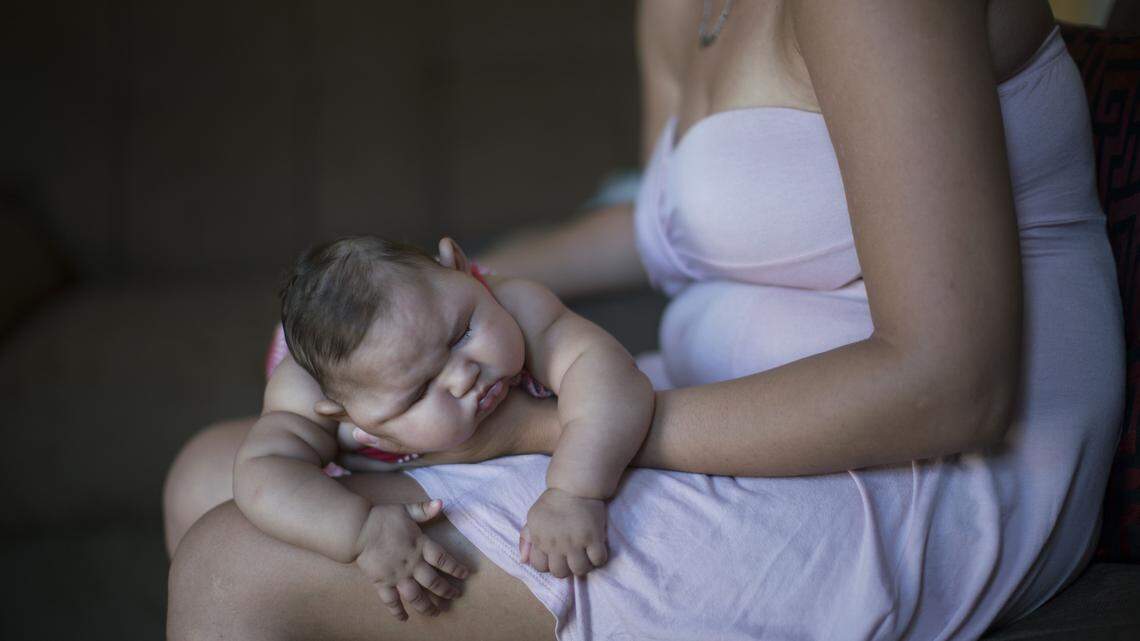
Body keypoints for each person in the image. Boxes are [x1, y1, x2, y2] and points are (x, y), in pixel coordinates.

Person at [164, 1, 1124, 639]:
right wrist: (395, 322)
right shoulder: (677, 5)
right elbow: (672, 219)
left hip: (919, 466)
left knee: (233, 568)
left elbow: (952, 387)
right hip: (703, 400)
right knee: (218, 464)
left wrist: (543, 429)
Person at [233, 235, 652, 620]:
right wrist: (359, 531)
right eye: (419, 392)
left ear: (459, 267)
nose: (463, 377)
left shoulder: (516, 305)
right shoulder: (305, 397)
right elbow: (261, 473)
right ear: (343, 416)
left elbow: (612, 378)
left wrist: (574, 490)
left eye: (461, 334)